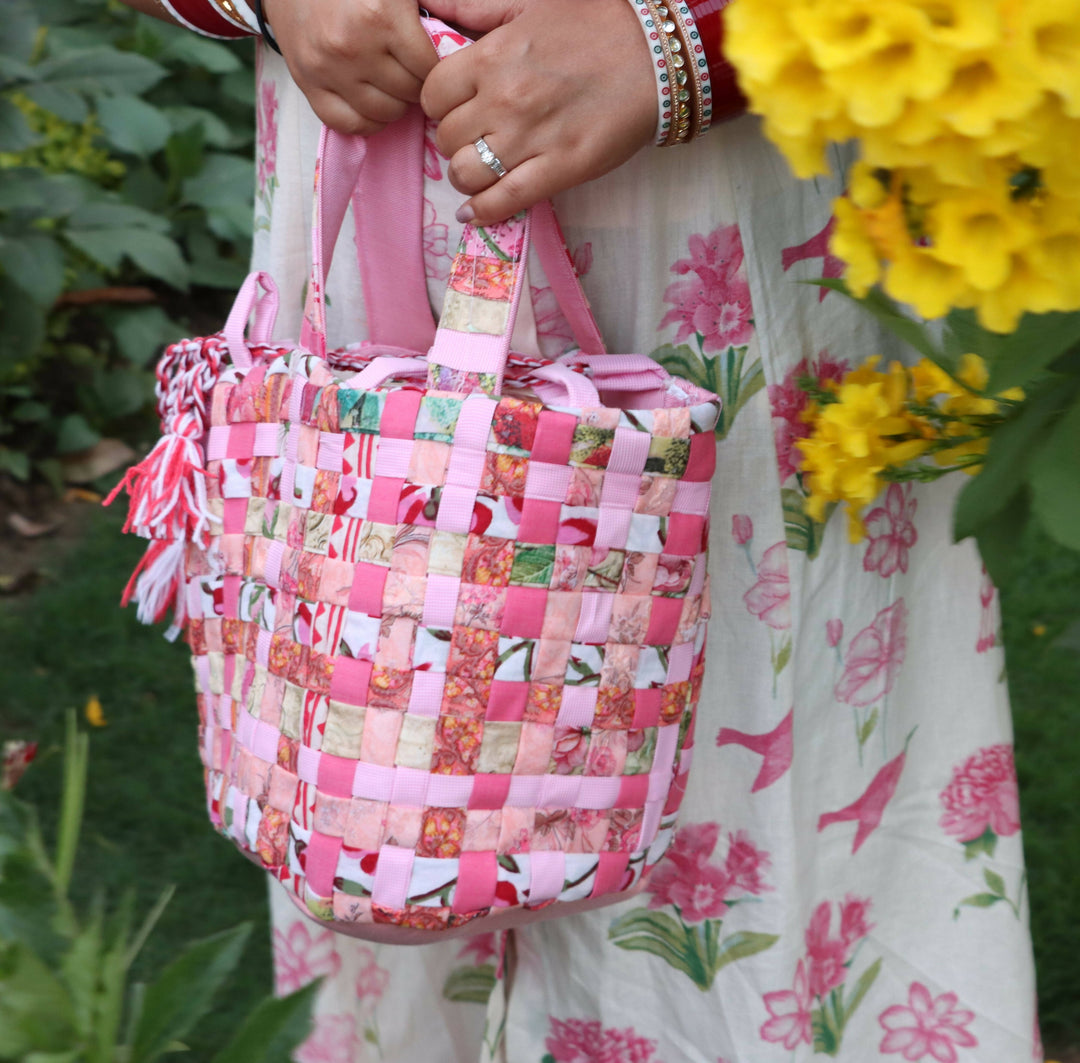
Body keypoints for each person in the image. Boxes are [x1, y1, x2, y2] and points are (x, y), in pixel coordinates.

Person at [119, 1, 1041, 1059]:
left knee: (762, 826)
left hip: (734, 233)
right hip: (358, 256)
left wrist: (699, 42)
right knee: (369, 780)